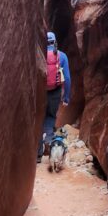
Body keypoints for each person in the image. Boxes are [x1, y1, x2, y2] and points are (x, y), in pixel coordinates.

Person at [37, 31, 71, 162]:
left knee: (38, 120)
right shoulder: (61, 56)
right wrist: (66, 97)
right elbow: (67, 78)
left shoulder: (40, 55)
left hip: (40, 92)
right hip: (55, 92)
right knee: (50, 117)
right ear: (55, 42)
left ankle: (37, 155)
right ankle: (50, 145)